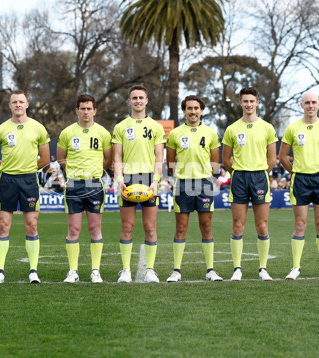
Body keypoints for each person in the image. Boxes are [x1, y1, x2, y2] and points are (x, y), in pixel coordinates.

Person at [0, 90, 50, 284]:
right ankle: (0, 271)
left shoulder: (38, 128)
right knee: (3, 225)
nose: (18, 105)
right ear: (10, 106)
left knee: (32, 225)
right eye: (14, 102)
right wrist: (5, 167)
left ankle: (33, 271)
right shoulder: (1, 130)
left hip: (29, 181)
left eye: (21, 102)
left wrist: (28, 169)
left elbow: (45, 159)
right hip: (7, 181)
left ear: (27, 104)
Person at [279, 92, 319, 280]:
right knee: (300, 224)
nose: (311, 105)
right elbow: (282, 157)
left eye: (314, 102)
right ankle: (296, 267)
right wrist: (295, 172)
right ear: (301, 105)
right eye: (307, 102)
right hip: (300, 181)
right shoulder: (292, 128)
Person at [165, 95, 223, 282]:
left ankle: (211, 270)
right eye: (189, 108)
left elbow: (215, 161)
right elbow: (170, 163)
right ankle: (176, 270)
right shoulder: (175, 133)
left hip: (205, 183)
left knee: (206, 226)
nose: (193, 111)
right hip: (183, 183)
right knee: (181, 227)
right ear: (184, 111)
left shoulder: (211, 133)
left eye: (196, 108)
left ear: (201, 110)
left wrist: (208, 177)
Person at [221, 87, 277, 281]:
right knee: (238, 225)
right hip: (239, 179)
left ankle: (263, 269)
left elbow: (272, 160)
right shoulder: (232, 129)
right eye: (245, 101)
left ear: (257, 103)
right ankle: (237, 268)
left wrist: (259, 172)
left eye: (252, 101)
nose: (248, 104)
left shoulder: (267, 127)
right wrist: (239, 172)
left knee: (262, 226)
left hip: (260, 177)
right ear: (240, 103)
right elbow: (226, 160)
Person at [112, 84, 166, 283]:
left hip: (148, 179)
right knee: (127, 226)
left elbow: (159, 157)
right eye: (134, 98)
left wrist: (155, 182)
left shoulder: (156, 127)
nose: (138, 101)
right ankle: (125, 270)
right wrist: (119, 181)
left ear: (146, 100)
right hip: (128, 180)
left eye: (141, 97)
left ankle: (150, 270)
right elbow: (117, 157)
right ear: (129, 101)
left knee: (150, 226)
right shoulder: (120, 127)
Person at [57, 94, 113, 283]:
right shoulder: (67, 133)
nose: (86, 112)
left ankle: (95, 271)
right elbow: (61, 159)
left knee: (95, 229)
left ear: (95, 111)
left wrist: (95, 172)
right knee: (73, 229)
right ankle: (73, 271)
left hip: (95, 183)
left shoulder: (104, 133)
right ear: (77, 111)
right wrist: (75, 172)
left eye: (89, 108)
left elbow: (108, 159)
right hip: (73, 183)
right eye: (83, 108)